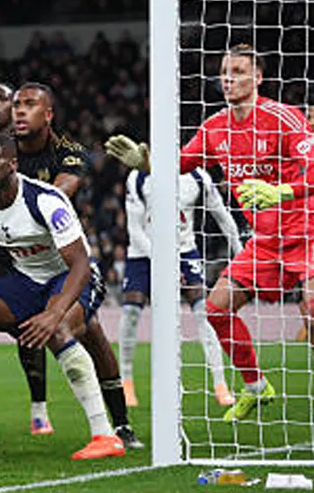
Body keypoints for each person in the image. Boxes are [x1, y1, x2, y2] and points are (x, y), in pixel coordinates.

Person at [108, 43, 314, 421]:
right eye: (224, 71)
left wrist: (280, 191)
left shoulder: (285, 118)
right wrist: (146, 162)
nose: (228, 78)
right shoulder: (215, 128)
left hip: (308, 232)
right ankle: (255, 387)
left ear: (258, 77)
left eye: (237, 70)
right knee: (217, 309)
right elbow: (177, 164)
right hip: (265, 243)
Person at [0, 134, 125, 461]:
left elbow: (80, 265)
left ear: (13, 164)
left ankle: (105, 435)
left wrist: (54, 311)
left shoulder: (46, 200)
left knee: (59, 330)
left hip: (73, 276)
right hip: (28, 277)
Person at [8, 83, 140, 448]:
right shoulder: (2, 151)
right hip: (18, 262)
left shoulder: (68, 153)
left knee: (88, 332)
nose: (19, 110)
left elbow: (60, 191)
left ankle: (118, 427)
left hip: (67, 262)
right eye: (16, 104)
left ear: (48, 115)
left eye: (30, 105)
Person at [118, 167, 241, 408]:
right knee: (131, 312)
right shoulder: (140, 177)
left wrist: (240, 252)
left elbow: (223, 217)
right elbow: (134, 229)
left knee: (205, 312)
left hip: (184, 251)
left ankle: (220, 384)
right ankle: (126, 382)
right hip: (143, 252)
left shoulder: (198, 178)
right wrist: (164, 263)